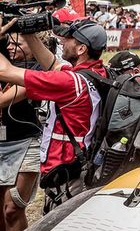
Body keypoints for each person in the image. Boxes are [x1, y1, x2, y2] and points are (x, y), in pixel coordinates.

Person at [0, 19, 108, 213]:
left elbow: (5, 71)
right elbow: (52, 64)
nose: (61, 41)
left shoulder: (68, 82)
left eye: (68, 39)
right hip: (82, 164)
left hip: (66, 170)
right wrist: (29, 33)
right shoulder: (96, 73)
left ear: (81, 49)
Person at [0, 33, 43, 231]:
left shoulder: (37, 70)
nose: (10, 46)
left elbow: (3, 100)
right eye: (7, 41)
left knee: (12, 208)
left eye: (17, 42)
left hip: (25, 143)